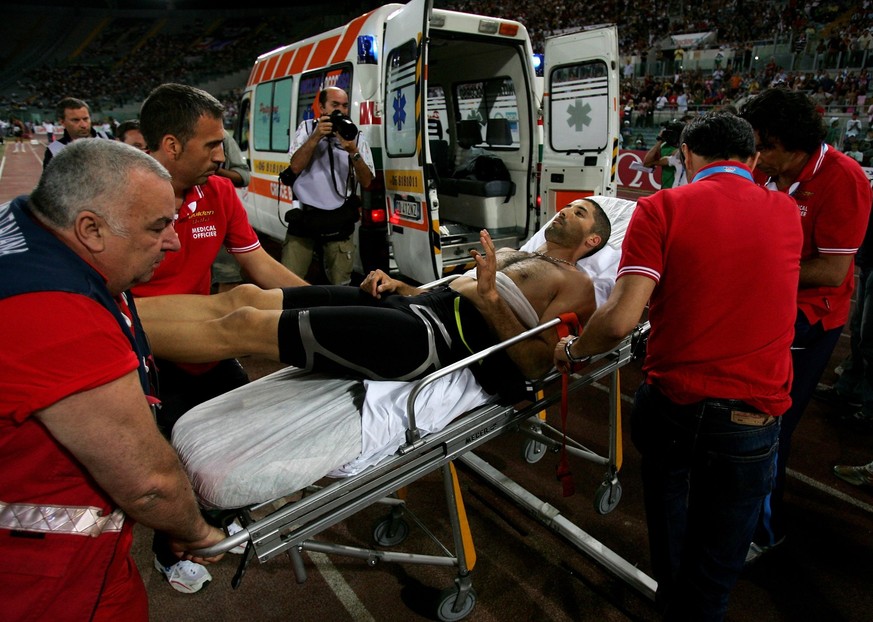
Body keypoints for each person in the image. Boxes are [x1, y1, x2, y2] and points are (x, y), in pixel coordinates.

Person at [554, 111, 803, 621]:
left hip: (676, 406)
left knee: (672, 543)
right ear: (753, 159)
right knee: (715, 576)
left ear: (686, 155)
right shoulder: (786, 212)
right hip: (753, 418)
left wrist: (573, 354)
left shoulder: (663, 206)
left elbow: (621, 319)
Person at [0, 139, 225, 621]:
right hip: (38, 578)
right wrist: (196, 531)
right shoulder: (55, 311)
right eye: (158, 226)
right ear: (91, 229)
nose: (173, 242)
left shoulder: (29, 233)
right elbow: (147, 483)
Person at [138, 199, 611, 398]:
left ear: (592, 242)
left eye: (581, 212)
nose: (567, 210)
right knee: (247, 294)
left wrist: (488, 296)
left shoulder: (579, 288)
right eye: (570, 205)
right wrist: (402, 286)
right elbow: (448, 290)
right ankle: (116, 308)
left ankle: (111, 334)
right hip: (414, 305)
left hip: (431, 339)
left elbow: (536, 367)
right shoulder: (510, 252)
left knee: (245, 324)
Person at [134, 82, 307, 593]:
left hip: (208, 340)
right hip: (141, 353)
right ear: (170, 145)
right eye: (211, 145)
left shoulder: (220, 193)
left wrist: (330, 300)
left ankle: (219, 516)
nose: (222, 155)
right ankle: (170, 551)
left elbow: (260, 265)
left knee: (241, 437)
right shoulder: (122, 195)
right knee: (160, 469)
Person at [739, 88, 872, 564]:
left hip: (810, 316)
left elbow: (834, 273)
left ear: (794, 147)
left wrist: (757, 271)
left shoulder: (845, 180)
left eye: (763, 147)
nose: (755, 157)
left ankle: (764, 529)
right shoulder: (765, 168)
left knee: (770, 422)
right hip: (767, 302)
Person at [281, 86, 374, 285]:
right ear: (322, 108)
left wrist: (353, 151)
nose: (340, 110)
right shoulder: (306, 129)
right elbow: (295, 166)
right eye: (335, 105)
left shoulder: (355, 135)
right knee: (289, 281)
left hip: (338, 218)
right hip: (306, 218)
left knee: (341, 283)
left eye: (345, 106)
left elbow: (366, 181)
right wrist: (316, 137)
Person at [211, 129, 251, 293]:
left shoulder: (223, 190)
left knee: (228, 277)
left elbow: (243, 177)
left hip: (217, 218)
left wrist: (217, 171)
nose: (219, 157)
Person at [43, 97, 110, 169]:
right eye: (76, 120)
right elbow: (48, 180)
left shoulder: (107, 138)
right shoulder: (54, 150)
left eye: (85, 119)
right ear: (62, 122)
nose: (83, 125)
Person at [643, 119, 685, 189]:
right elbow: (647, 162)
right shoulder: (664, 146)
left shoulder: (684, 150)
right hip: (666, 188)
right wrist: (660, 139)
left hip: (676, 190)